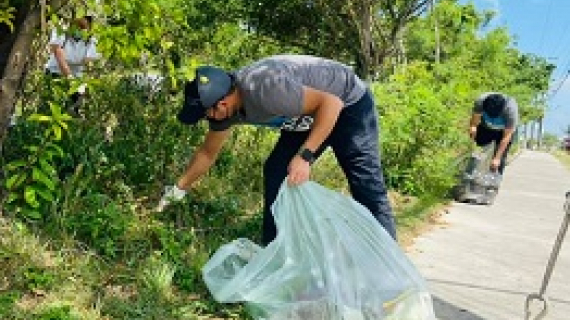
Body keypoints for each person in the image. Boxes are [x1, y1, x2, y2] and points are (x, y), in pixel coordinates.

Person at [157, 54, 397, 245]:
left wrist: (305, 156)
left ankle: (392, 276)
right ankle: (276, 253)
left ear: (222, 103)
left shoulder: (266, 89)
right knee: (276, 172)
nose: (207, 119)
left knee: (366, 185)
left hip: (348, 104)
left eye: (206, 113)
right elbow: (207, 153)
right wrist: (178, 190)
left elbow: (331, 103)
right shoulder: (223, 112)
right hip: (307, 113)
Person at [44, 14, 100, 116]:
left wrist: (85, 84)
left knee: (75, 110)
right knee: (52, 106)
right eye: (77, 25)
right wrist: (70, 78)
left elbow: (89, 62)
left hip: (77, 76)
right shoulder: (61, 31)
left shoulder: (91, 40)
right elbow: (58, 52)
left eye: (83, 27)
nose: (79, 29)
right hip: (54, 73)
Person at [469, 92, 519, 175]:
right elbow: (474, 121)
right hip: (486, 127)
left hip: (503, 132)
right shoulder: (481, 101)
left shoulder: (511, 110)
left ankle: (493, 182)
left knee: (499, 160)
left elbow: (507, 136)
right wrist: (473, 129)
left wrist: (497, 158)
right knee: (479, 145)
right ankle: (473, 171)